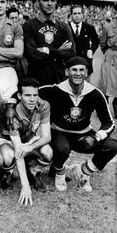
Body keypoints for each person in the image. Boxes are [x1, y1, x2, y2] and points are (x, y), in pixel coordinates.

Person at [39, 57, 116, 192]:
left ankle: (84, 172)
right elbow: (26, 91)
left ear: (86, 72)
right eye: (74, 70)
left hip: (83, 135)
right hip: (59, 132)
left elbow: (109, 122)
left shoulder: (95, 93)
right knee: (62, 148)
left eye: (82, 70)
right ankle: (59, 172)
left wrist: (96, 137)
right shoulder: (55, 90)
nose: (78, 73)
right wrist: (10, 106)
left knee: (112, 146)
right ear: (67, 72)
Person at [0, 77, 53, 192]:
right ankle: (6, 173)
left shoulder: (44, 106)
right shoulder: (13, 116)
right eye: (27, 95)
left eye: (35, 95)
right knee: (8, 156)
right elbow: (19, 151)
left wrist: (31, 146)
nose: (32, 99)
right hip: (9, 141)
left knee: (48, 152)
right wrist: (25, 186)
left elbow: (47, 137)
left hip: (28, 140)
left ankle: (33, 171)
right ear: (19, 96)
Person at [23, 0, 75, 85]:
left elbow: (71, 52)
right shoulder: (29, 26)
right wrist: (58, 52)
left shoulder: (63, 26)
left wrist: (47, 50)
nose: (50, 3)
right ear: (38, 2)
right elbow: (31, 54)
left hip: (59, 79)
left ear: (56, 2)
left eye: (53, 0)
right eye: (45, 0)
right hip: (36, 80)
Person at [68, 5, 100, 80]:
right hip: (70, 62)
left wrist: (91, 50)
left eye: (79, 13)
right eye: (75, 13)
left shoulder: (89, 28)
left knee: (85, 88)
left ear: (82, 15)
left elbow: (96, 41)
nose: (77, 16)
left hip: (85, 62)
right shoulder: (65, 27)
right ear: (71, 15)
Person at [100, 6, 117, 118]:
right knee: (106, 85)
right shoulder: (108, 27)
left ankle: (116, 109)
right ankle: (102, 108)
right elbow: (103, 44)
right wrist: (110, 54)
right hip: (111, 57)